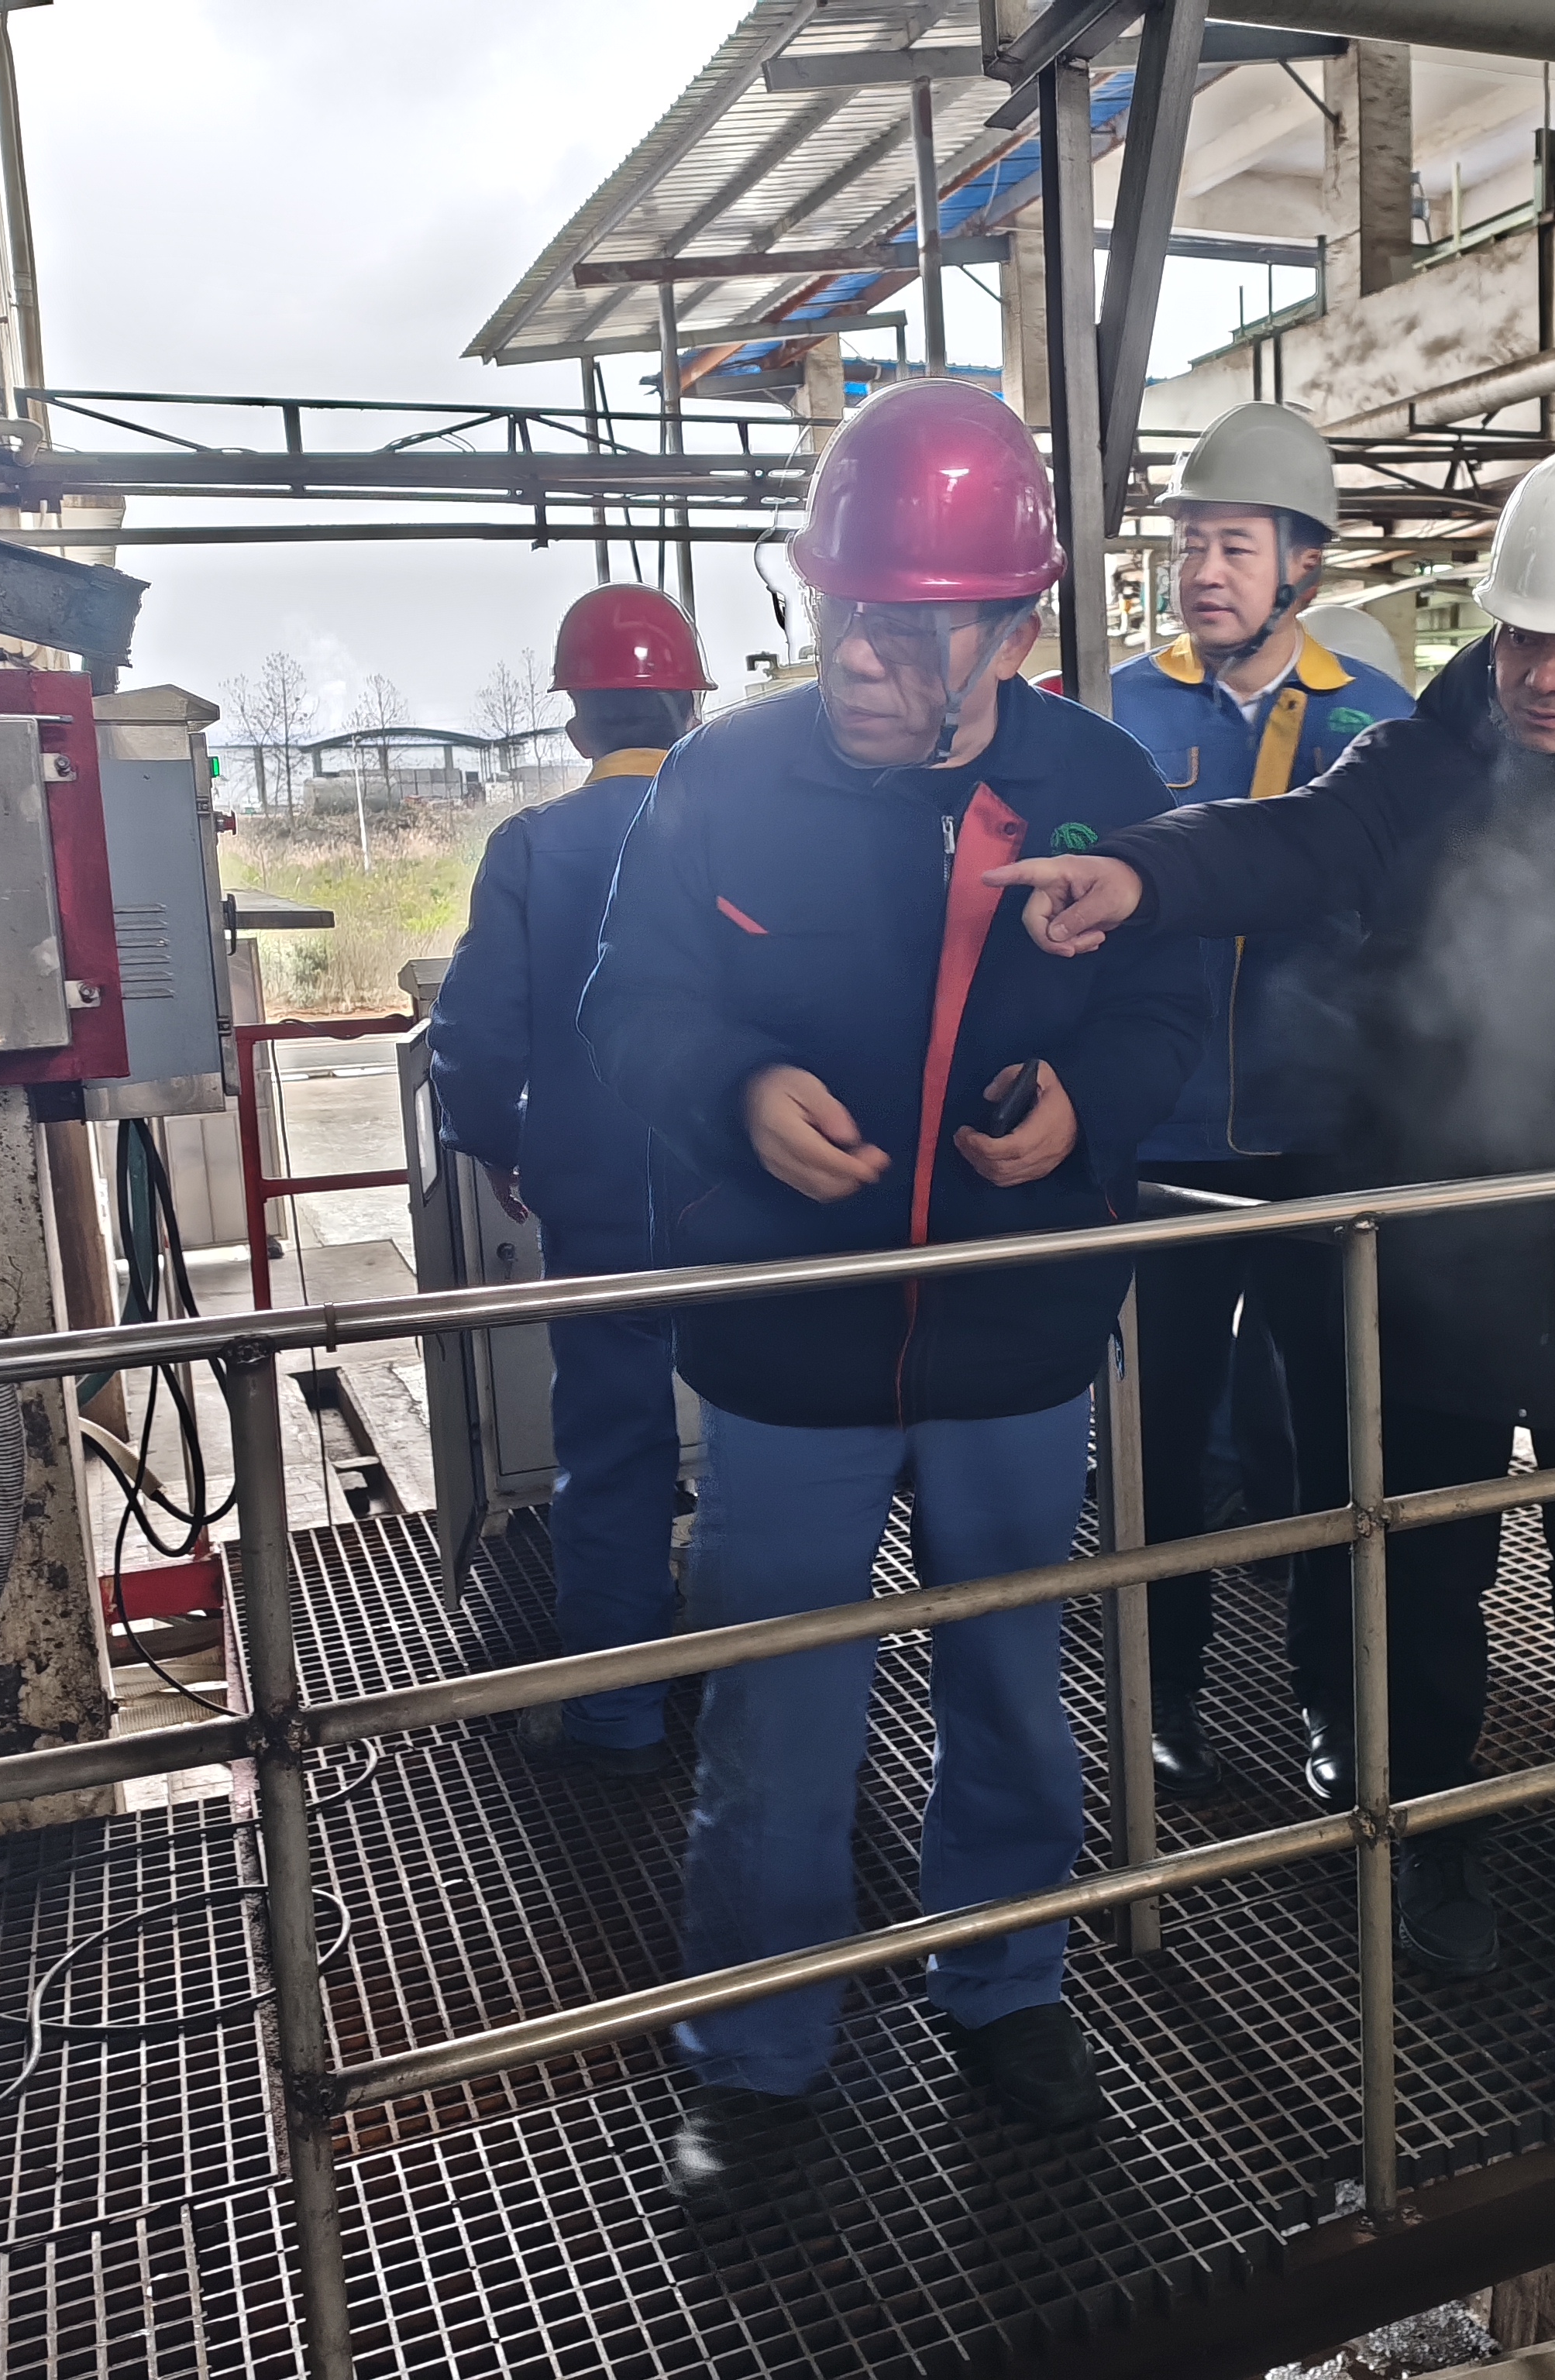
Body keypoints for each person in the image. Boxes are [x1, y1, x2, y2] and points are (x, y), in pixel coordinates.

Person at [989, 442, 1555, 1982]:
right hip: (1442, 1230)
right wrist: (1143, 878)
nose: (1542, 676)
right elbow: (1293, 840)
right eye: (1522, 637)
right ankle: (1429, 1827)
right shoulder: (1429, 756)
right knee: (1424, 1559)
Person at [578, 378, 1202, 2189]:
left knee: (1011, 1678)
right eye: (841, 609)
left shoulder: (1098, 790)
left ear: (1010, 631)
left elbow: (1166, 1003)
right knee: (777, 1707)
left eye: (910, 629)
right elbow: (628, 1010)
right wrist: (733, 1090)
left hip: (1014, 1335)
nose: (857, 655)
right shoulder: (720, 785)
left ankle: (1006, 1987)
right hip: (788, 1347)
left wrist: (1085, 1107)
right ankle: (757, 2051)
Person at [1106, 401, 1414, 1804]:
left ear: (1304, 562)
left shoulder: (1376, 722)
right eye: (1189, 546)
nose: (1204, 573)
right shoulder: (1117, 711)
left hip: (1320, 1139)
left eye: (1234, 546)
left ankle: (1333, 1702)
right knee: (1157, 1440)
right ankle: (1162, 1697)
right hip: (1158, 1142)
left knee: (1335, 1439)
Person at [426, 583, 710, 1778]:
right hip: (747, 1188)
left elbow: (478, 1032)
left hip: (594, 1193)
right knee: (764, 1439)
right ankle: (772, 1701)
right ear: (690, 705)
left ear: (577, 717)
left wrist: (501, 1143)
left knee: (613, 1445)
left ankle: (617, 1718)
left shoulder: (533, 846)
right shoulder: (745, 834)